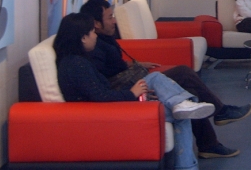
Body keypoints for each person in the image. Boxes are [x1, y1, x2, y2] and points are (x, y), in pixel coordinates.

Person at [80, 0, 251, 159]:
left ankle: (209, 145)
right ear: (96, 23)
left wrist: (135, 64)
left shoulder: (105, 38)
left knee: (191, 92)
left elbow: (113, 65)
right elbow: (106, 81)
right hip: (130, 89)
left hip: (132, 80)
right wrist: (133, 90)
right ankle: (221, 113)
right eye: (110, 17)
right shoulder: (93, 48)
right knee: (184, 73)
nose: (114, 21)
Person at [53, 12, 216, 170]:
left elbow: (101, 92)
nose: (95, 36)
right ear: (83, 38)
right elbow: (101, 96)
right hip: (106, 113)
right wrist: (132, 93)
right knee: (169, 98)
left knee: (173, 102)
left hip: (106, 108)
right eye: (92, 32)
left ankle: (181, 106)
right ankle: (182, 112)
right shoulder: (77, 65)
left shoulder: (75, 61)